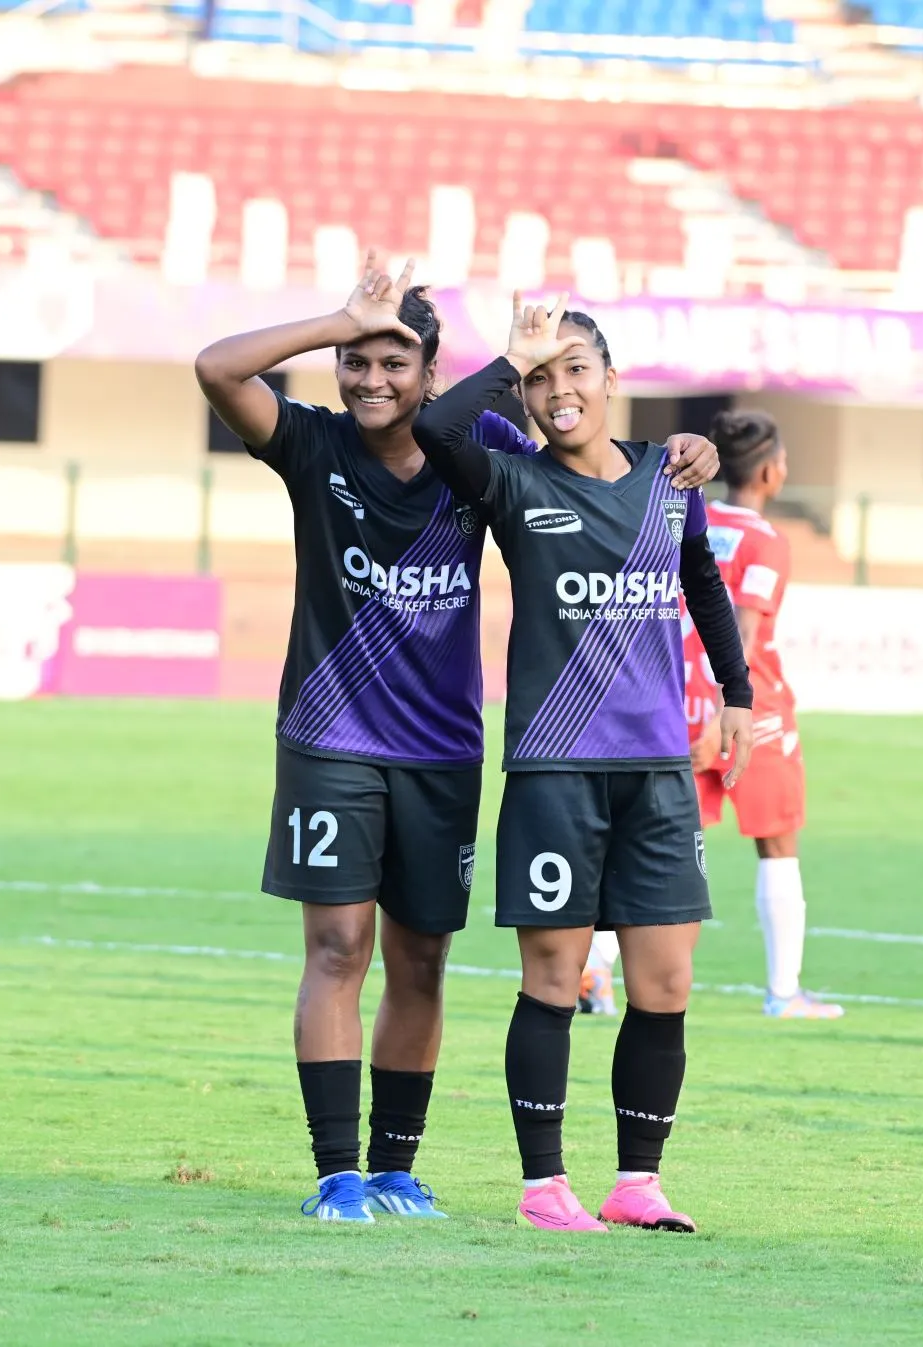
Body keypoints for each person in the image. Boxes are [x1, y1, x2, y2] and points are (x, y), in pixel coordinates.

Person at [194, 254, 720, 1225]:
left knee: (422, 958)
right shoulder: (309, 442)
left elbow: (585, 437)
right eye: (356, 361)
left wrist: (683, 449)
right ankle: (335, 1172)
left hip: (443, 750)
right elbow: (218, 369)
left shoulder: (475, 442)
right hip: (330, 736)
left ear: (431, 376)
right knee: (338, 945)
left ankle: (396, 1168)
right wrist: (334, 321)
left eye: (395, 363)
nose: (371, 380)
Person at [414, 295, 754, 1235]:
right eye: (539, 377)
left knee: (665, 983)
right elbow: (436, 424)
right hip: (555, 769)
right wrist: (507, 354)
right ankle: (543, 1187)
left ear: (612, 378)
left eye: (574, 368)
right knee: (554, 977)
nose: (558, 390)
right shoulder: (512, 482)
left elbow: (702, 583)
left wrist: (737, 694)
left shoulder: (668, 476)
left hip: (656, 772)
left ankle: (637, 1182)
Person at [683, 410, 842, 1020]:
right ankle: (784, 993)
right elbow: (744, 632)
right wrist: (726, 715)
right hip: (751, 711)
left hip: (676, 699)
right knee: (777, 844)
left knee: (659, 845)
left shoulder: (690, 521)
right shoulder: (767, 540)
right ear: (773, 472)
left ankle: (596, 978)